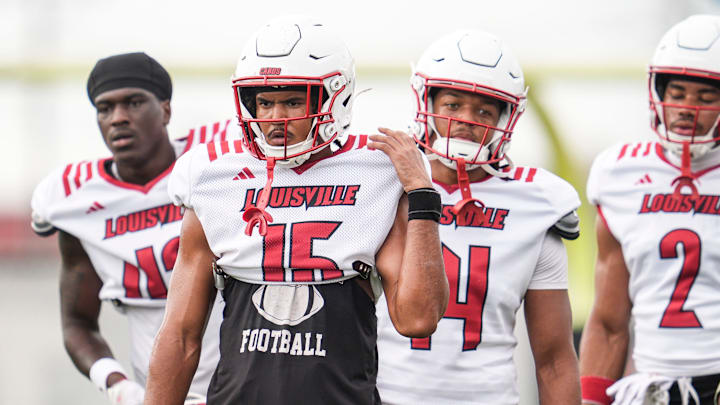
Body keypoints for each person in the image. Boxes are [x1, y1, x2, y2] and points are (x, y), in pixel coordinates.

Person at [143, 16, 449, 405]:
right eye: (265, 102)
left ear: (334, 98)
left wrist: (422, 193)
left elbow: (417, 319)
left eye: (292, 101)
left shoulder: (377, 171)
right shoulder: (211, 175)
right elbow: (180, 335)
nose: (275, 119)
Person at [375, 30, 582, 404]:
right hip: (387, 396)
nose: (467, 120)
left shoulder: (537, 204)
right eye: (453, 105)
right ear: (426, 101)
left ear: (507, 116)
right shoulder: (381, 184)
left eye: (484, 110)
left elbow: (554, 359)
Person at [30, 52, 226, 405]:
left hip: (248, 380)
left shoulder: (217, 160)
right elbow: (78, 322)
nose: (118, 118)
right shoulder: (73, 198)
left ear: (165, 110)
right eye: (105, 108)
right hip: (162, 393)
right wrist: (118, 385)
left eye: (134, 103)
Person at [579, 14, 720, 405]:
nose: (687, 108)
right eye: (677, 92)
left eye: (705, 97)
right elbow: (609, 319)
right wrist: (591, 399)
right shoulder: (620, 173)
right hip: (653, 387)